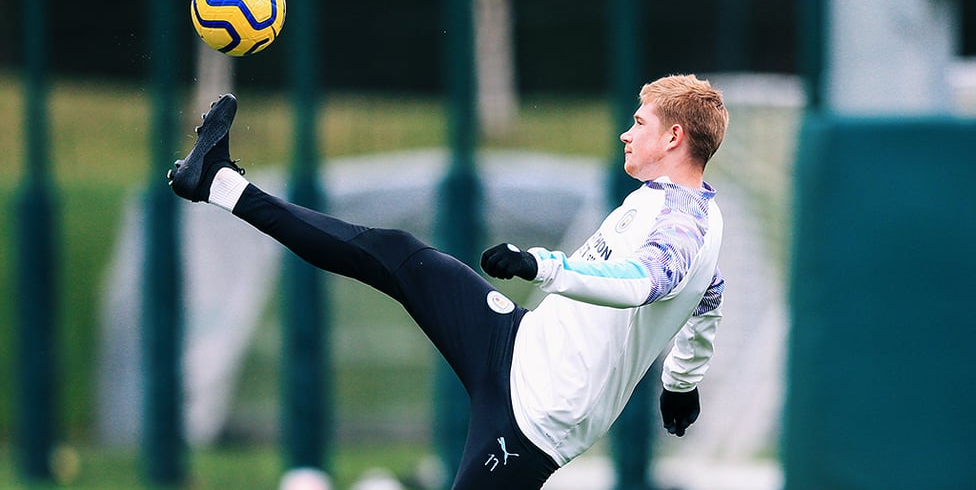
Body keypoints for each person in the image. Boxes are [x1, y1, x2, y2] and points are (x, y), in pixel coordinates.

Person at [167, 73, 728, 489]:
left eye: (639, 123)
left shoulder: (683, 221)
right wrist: (680, 385)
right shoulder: (675, 209)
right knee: (397, 254)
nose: (626, 134)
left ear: (675, 136)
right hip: (514, 342)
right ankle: (215, 181)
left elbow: (642, 282)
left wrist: (543, 266)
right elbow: (709, 301)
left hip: (536, 420)